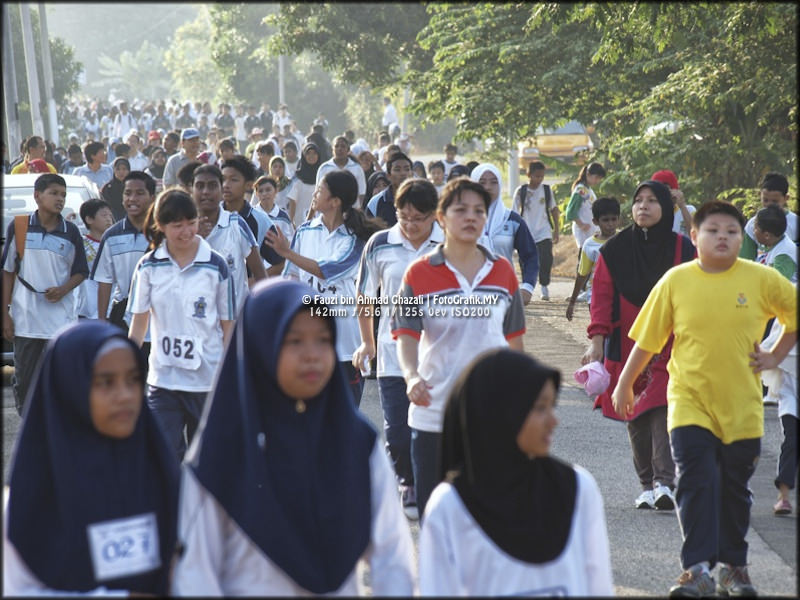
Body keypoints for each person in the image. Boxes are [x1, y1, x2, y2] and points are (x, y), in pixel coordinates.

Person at [170, 279, 415, 595]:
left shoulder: (356, 444)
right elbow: (195, 576)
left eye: (323, 340)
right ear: (260, 346)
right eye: (294, 341)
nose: (312, 355)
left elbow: (393, 559)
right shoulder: (222, 453)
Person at [612, 200, 797, 597]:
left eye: (732, 232)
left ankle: (733, 568)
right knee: (695, 482)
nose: (723, 238)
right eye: (713, 230)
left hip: (742, 408)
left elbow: (794, 315)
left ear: (742, 238)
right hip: (689, 403)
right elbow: (648, 340)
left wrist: (775, 355)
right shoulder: (676, 281)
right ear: (694, 236)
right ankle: (696, 569)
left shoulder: (761, 278)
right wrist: (625, 383)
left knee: (734, 489)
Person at [3, 321, 178, 595]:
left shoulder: (165, 478)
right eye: (105, 382)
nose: (125, 396)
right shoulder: (27, 505)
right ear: (69, 388)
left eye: (133, 379)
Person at [419, 349, 613, 596]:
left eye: (552, 406)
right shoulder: (451, 506)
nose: (553, 420)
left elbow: (599, 588)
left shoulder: (579, 489)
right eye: (540, 408)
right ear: (501, 413)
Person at [392, 177, 526, 518]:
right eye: (461, 209)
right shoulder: (418, 273)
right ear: (442, 217)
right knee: (434, 516)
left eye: (479, 211)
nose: (471, 217)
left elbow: (515, 342)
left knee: (485, 517)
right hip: (433, 411)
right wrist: (411, 376)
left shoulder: (503, 272)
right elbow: (406, 335)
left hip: (488, 414)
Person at [583, 181, 695, 512]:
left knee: (661, 408)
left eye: (651, 201)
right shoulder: (614, 250)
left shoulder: (683, 249)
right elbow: (601, 298)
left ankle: (664, 482)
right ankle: (646, 485)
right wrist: (597, 343)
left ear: (666, 208)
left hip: (670, 342)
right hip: (627, 342)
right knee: (635, 415)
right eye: (638, 201)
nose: (643, 206)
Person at [353, 178, 444, 521]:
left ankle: (434, 487)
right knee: (399, 432)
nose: (409, 225)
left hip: (439, 354)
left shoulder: (447, 245)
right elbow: (365, 297)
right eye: (403, 216)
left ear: (434, 215)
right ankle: (407, 480)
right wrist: (367, 342)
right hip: (393, 354)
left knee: (436, 429)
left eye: (418, 218)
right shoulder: (380, 244)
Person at [128, 189, 236, 460]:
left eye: (192, 222)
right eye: (178, 225)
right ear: (161, 226)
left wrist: (232, 375)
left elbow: (228, 326)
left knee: (208, 459)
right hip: (163, 379)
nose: (186, 231)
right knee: (164, 456)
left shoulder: (216, 266)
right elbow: (139, 322)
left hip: (207, 381)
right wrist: (127, 367)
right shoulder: (147, 266)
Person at [267, 171, 385, 406]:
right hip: (309, 340)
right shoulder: (304, 231)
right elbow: (292, 278)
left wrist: (287, 252)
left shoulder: (356, 239)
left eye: (320, 190)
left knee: (344, 415)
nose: (315, 194)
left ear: (335, 201)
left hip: (346, 343)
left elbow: (328, 270)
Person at [2, 173, 89, 413]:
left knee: (62, 380)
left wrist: (63, 289)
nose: (60, 199)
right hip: (26, 320)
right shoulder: (19, 226)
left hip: (60, 321)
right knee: (25, 381)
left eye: (63, 195)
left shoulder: (71, 231)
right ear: (37, 196)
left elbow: (81, 271)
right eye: (54, 193)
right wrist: (5, 314)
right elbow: (7, 271)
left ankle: (58, 425)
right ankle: (29, 424)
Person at [192, 163, 266, 312]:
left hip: (235, 318)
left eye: (212, 186)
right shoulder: (182, 229)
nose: (205, 192)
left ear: (221, 190)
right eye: (200, 186)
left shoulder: (236, 224)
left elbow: (259, 273)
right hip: (196, 319)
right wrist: (194, 240)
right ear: (191, 190)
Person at [93, 171, 156, 338]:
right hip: (123, 318)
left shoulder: (163, 234)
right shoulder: (111, 235)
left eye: (140, 193)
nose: (132, 199)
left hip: (157, 320)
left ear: (152, 198)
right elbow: (105, 281)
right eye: (128, 193)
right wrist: (102, 323)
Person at [471, 163, 539, 305]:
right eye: (482, 182)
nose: (488, 187)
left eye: (493, 182)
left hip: (503, 294)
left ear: (500, 185)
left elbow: (530, 255)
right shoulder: (460, 220)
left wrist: (527, 287)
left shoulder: (512, 220)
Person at [220, 155, 285, 277]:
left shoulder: (261, 221)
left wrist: (254, 282)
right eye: (223, 179)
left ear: (248, 185)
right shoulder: (210, 215)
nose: (226, 185)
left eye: (233, 180)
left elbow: (280, 263)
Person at [512, 161, 561, 301]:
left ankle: (544, 285)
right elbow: (514, 213)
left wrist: (556, 230)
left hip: (544, 230)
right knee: (525, 260)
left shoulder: (546, 190)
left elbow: (554, 210)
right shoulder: (521, 191)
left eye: (542, 176)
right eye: (536, 176)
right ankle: (526, 287)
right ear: (529, 175)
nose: (539, 179)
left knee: (546, 259)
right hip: (526, 231)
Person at [566, 197, 620, 320]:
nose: (610, 224)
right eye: (605, 220)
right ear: (595, 221)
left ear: (619, 219)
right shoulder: (590, 245)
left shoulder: (625, 239)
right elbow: (582, 274)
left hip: (620, 296)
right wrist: (572, 302)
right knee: (599, 327)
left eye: (614, 219)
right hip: (596, 297)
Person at [565, 162, 607, 298]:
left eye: (599, 178)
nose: (597, 181)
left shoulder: (588, 189)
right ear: (588, 174)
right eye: (596, 177)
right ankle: (581, 290)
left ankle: (586, 288)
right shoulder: (580, 190)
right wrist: (581, 224)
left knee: (591, 260)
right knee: (584, 260)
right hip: (584, 231)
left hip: (591, 231)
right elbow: (570, 212)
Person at [740, 172, 798, 259]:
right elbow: (746, 258)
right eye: (765, 200)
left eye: (775, 201)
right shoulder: (753, 224)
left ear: (786, 198)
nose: (769, 205)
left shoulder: (795, 223)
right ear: (760, 195)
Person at [76, 199, 114, 320]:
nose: (109, 219)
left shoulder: (115, 244)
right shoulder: (81, 244)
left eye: (110, 215)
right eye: (104, 215)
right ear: (89, 219)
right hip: (87, 307)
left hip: (112, 307)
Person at [316, 136, 368, 205]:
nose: (339, 149)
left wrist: (359, 207)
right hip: (329, 208)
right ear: (332, 149)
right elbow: (318, 192)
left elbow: (361, 193)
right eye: (336, 146)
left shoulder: (357, 168)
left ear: (348, 150)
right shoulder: (324, 168)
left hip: (351, 209)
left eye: (343, 146)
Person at [366, 152, 413, 227]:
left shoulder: (422, 198)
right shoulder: (376, 202)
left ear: (412, 174)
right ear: (388, 176)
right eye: (397, 170)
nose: (403, 173)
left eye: (407, 169)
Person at [753, 204, 798, 282]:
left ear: (767, 235)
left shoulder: (784, 256)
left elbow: (776, 285)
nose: (753, 232)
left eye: (755, 228)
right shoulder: (772, 242)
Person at [286, 142, 321, 228]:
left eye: (314, 153)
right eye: (308, 153)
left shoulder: (322, 175)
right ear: (304, 156)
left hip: (320, 221)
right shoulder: (298, 177)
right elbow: (292, 201)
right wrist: (291, 221)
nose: (311, 156)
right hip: (301, 221)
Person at [651, 169, 696, 235]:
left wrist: (682, 206)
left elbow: (696, 235)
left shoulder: (689, 210)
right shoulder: (650, 213)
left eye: (665, 189)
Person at [253, 175, 294, 244]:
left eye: (268, 190)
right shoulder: (252, 215)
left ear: (276, 191)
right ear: (256, 194)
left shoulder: (283, 217)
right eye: (260, 191)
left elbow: (291, 241)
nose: (264, 194)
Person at [100, 157, 131, 221]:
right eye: (118, 169)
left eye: (124, 169)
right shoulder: (107, 188)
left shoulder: (133, 187)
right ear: (114, 170)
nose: (121, 172)